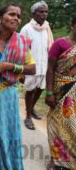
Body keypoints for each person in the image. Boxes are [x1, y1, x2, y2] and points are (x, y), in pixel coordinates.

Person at [0, 3, 36, 170]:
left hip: (8, 94)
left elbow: (32, 68)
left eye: (18, 16)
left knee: (6, 134)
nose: (16, 18)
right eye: (11, 14)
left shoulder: (22, 41)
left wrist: (10, 66)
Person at [45, 14, 76, 170]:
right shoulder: (60, 44)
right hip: (60, 88)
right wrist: (49, 92)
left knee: (72, 126)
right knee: (57, 124)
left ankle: (69, 158)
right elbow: (50, 68)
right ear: (72, 25)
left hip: (75, 91)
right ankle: (55, 158)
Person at [20, 0, 54, 130]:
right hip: (31, 67)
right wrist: (22, 71)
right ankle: (28, 117)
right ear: (34, 13)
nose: (44, 14)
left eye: (46, 12)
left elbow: (50, 47)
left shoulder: (47, 28)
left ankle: (32, 108)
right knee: (30, 91)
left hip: (44, 65)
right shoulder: (26, 29)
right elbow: (22, 50)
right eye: (41, 11)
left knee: (40, 88)